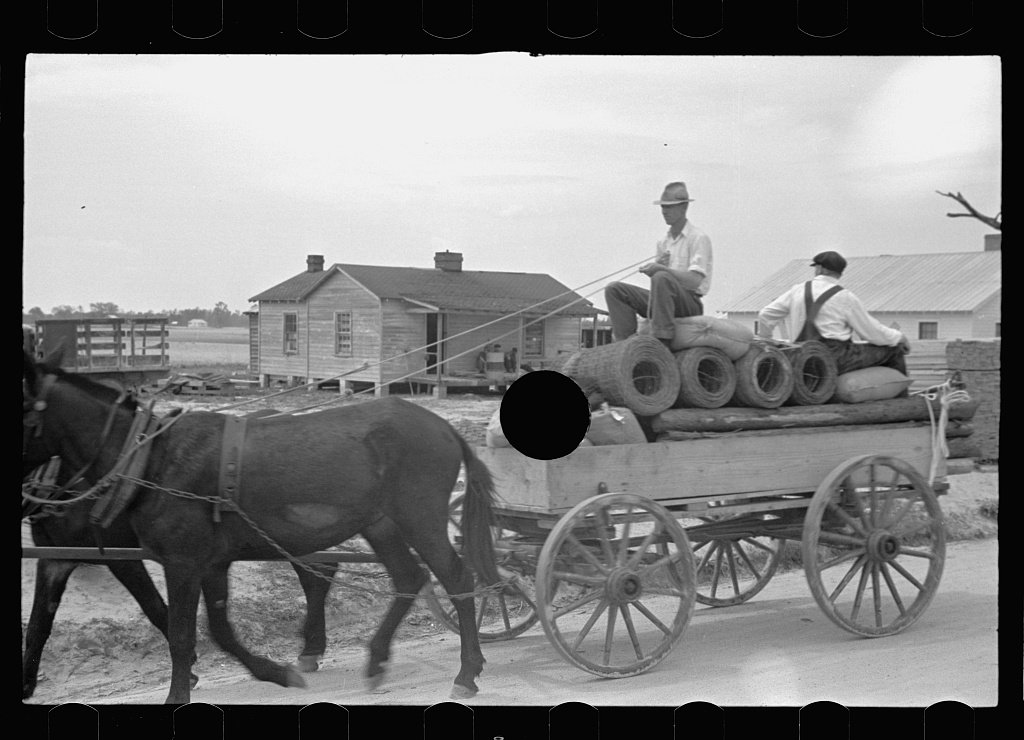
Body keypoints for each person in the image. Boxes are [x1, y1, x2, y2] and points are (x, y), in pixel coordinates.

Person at [756, 250, 912, 379]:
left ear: (820, 269)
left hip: (800, 357)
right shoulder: (845, 297)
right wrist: (899, 337)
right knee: (895, 350)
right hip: (835, 359)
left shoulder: (797, 290)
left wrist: (767, 340)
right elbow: (872, 332)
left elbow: (766, 314)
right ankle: (900, 398)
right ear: (840, 273)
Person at [604, 181, 712, 347]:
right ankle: (625, 345)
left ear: (684, 207)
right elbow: (660, 285)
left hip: (689, 303)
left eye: (669, 207)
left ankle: (661, 340)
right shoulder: (663, 242)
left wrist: (661, 269)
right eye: (663, 207)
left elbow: (694, 281)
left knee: (661, 276)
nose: (664, 211)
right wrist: (656, 270)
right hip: (664, 302)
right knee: (614, 289)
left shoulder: (698, 238)